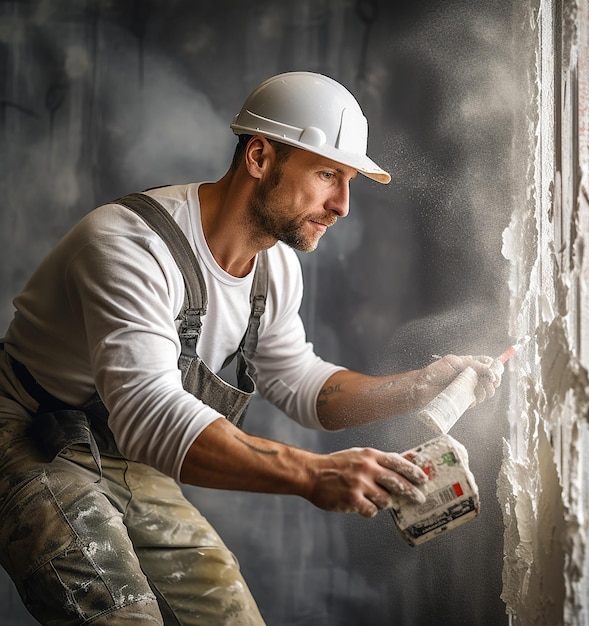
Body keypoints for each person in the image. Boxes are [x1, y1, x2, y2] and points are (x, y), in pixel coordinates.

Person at [0, 71, 503, 625]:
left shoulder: (276, 269)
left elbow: (304, 385)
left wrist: (419, 386)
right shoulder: (129, 247)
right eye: (327, 174)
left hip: (121, 452)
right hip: (27, 434)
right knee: (124, 616)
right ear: (259, 157)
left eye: (350, 180)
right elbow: (148, 413)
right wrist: (313, 475)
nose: (342, 205)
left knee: (229, 614)